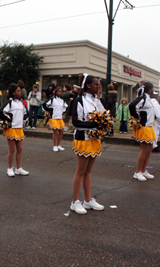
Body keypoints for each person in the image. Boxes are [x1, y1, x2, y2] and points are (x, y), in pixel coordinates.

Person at [70, 74, 105, 215]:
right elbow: (76, 122)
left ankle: (88, 200)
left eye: (99, 84)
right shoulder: (79, 100)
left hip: (93, 138)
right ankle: (75, 202)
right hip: (83, 139)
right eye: (96, 84)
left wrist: (102, 126)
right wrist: (94, 124)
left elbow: (103, 116)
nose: (98, 86)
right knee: (80, 171)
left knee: (88, 171)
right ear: (88, 85)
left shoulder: (97, 101)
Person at [0, 83, 29, 177]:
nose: (20, 92)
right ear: (13, 92)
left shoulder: (21, 103)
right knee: (12, 149)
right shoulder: (9, 103)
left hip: (19, 129)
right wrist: (9, 119)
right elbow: (1, 112)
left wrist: (23, 121)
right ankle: (10, 168)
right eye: (18, 91)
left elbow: (26, 113)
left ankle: (18, 168)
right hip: (12, 129)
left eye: (20, 91)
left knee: (20, 149)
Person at [129, 82, 157, 182]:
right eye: (152, 88)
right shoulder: (143, 98)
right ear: (149, 89)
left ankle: (144, 170)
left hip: (150, 126)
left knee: (149, 149)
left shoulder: (148, 99)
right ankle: (137, 172)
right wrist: (137, 117)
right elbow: (132, 106)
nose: (153, 90)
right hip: (144, 127)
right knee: (144, 150)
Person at [43, 86, 67, 152]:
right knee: (55, 131)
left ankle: (58, 144)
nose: (60, 92)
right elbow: (44, 104)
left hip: (60, 118)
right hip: (54, 117)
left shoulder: (62, 100)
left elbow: (65, 108)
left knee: (61, 131)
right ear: (56, 92)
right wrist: (48, 110)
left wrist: (63, 113)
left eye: (61, 91)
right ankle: (55, 145)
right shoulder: (52, 99)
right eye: (59, 91)